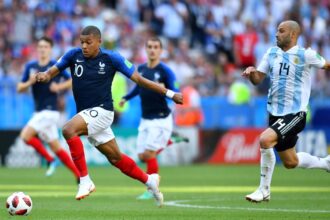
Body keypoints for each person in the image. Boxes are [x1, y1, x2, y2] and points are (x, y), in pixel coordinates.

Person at [35, 26, 183, 207]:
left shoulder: (112, 58)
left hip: (103, 111)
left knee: (68, 130)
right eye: (82, 42)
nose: (84, 46)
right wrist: (44, 75)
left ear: (99, 42)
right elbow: (53, 70)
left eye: (88, 42)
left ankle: (85, 180)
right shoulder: (73, 55)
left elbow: (140, 80)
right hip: (87, 115)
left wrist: (170, 94)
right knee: (116, 159)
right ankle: (149, 180)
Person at [242, 20, 330, 203]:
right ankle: (325, 163)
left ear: (292, 35)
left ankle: (263, 190)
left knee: (265, 140)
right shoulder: (271, 52)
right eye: (276, 31)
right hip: (275, 114)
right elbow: (258, 79)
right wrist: (252, 73)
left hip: (295, 114)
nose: (276, 34)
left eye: (281, 31)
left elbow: (326, 65)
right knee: (291, 162)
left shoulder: (306, 54)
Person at [119, 37, 180, 200]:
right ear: (146, 50)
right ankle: (168, 141)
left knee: (149, 154)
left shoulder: (165, 71)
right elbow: (138, 87)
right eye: (150, 47)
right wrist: (126, 97)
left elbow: (176, 91)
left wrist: (164, 89)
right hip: (145, 118)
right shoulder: (142, 69)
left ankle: (151, 189)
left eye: (156, 47)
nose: (152, 50)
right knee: (141, 156)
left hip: (160, 119)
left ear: (160, 50)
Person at [17, 36, 80, 181]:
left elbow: (72, 80)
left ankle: (49, 160)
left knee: (25, 136)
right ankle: (79, 176)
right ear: (37, 49)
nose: (42, 49)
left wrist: (58, 86)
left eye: (45, 46)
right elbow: (19, 88)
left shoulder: (54, 66)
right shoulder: (31, 66)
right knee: (57, 148)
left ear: (50, 49)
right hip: (39, 111)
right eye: (40, 46)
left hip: (50, 111)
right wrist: (29, 82)